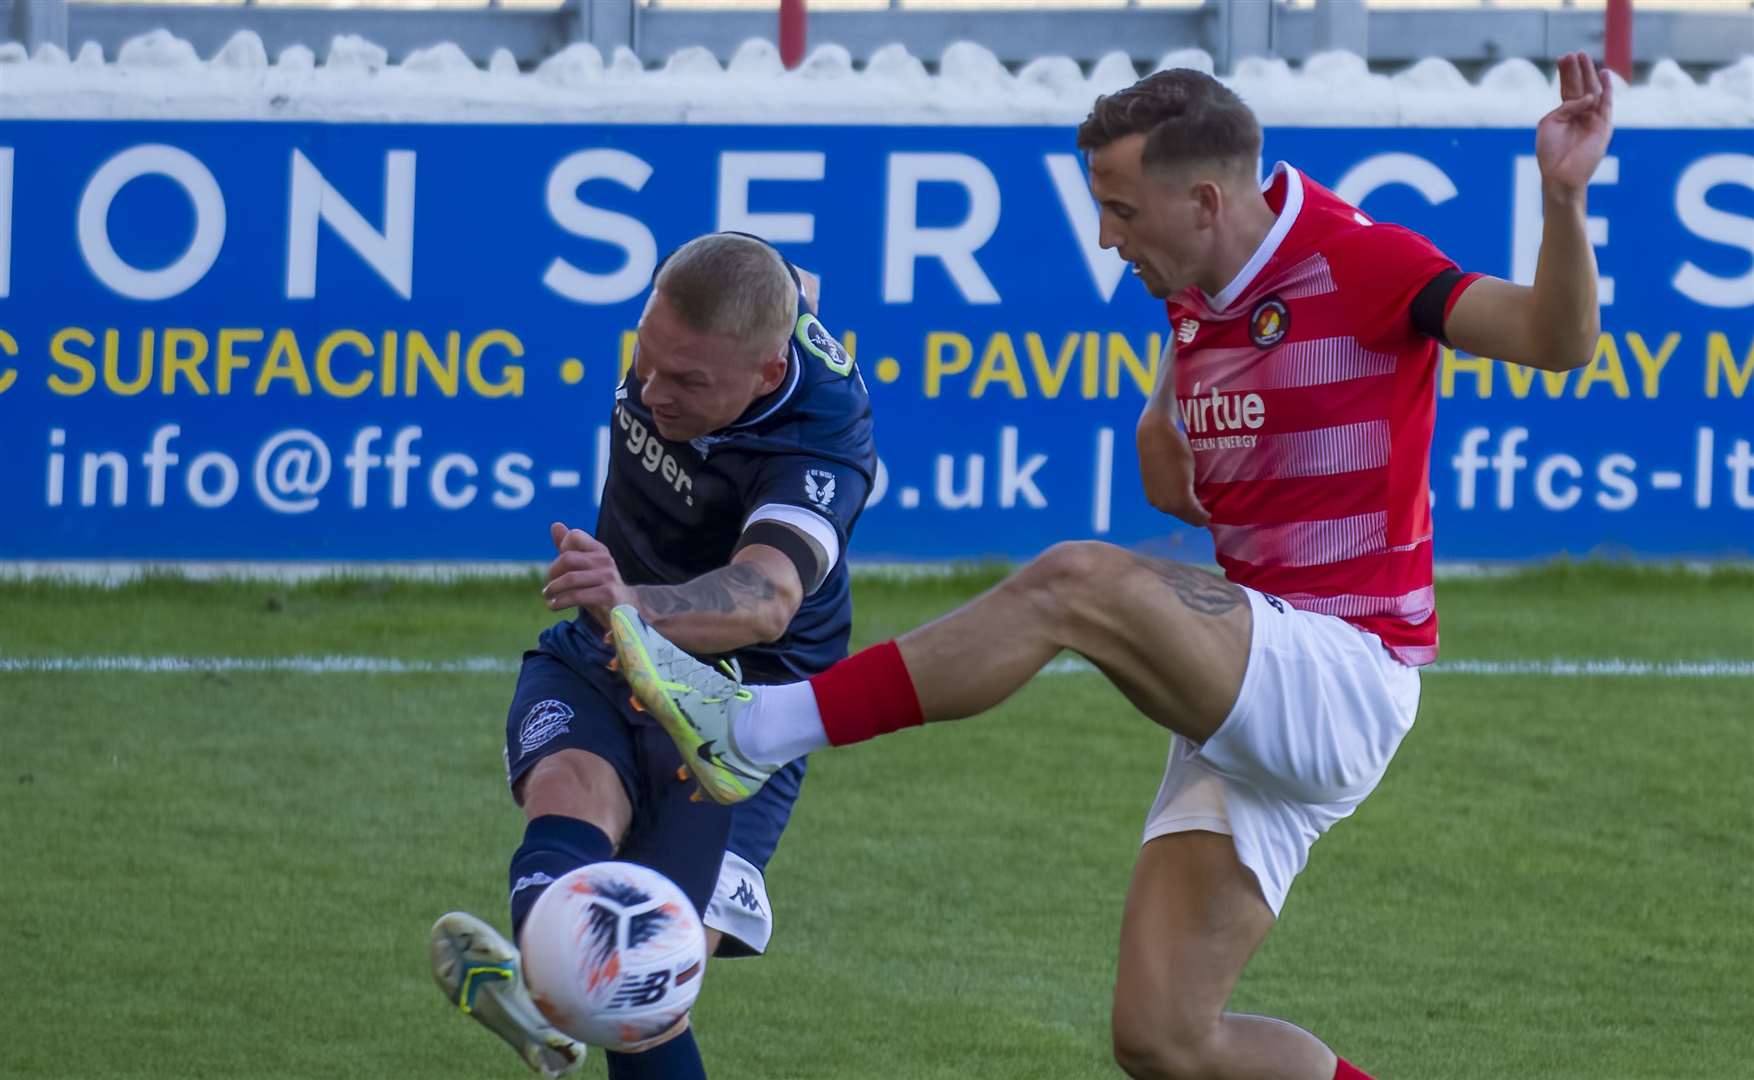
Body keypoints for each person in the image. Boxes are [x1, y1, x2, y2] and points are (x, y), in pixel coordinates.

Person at [609, 55, 1611, 1080]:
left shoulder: (1361, 262)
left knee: (1074, 584)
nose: (1104, 237)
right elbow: (1182, 489)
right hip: (1251, 680)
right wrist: (1176, 420)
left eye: (1121, 210)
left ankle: (756, 731)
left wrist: (1561, 197)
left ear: (1206, 200)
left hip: (1341, 674)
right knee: (1165, 1040)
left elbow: (1555, 339)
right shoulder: (1199, 290)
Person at [430, 231, 876, 1078]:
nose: (651, 389)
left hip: (739, 710)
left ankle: (551, 990)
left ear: (768, 374)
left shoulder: (820, 446)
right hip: (604, 650)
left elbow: (768, 599)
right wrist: (620, 619)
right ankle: (545, 988)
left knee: (647, 991)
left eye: (689, 381)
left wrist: (632, 603)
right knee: (566, 793)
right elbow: (788, 279)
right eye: (647, 357)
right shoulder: (751, 289)